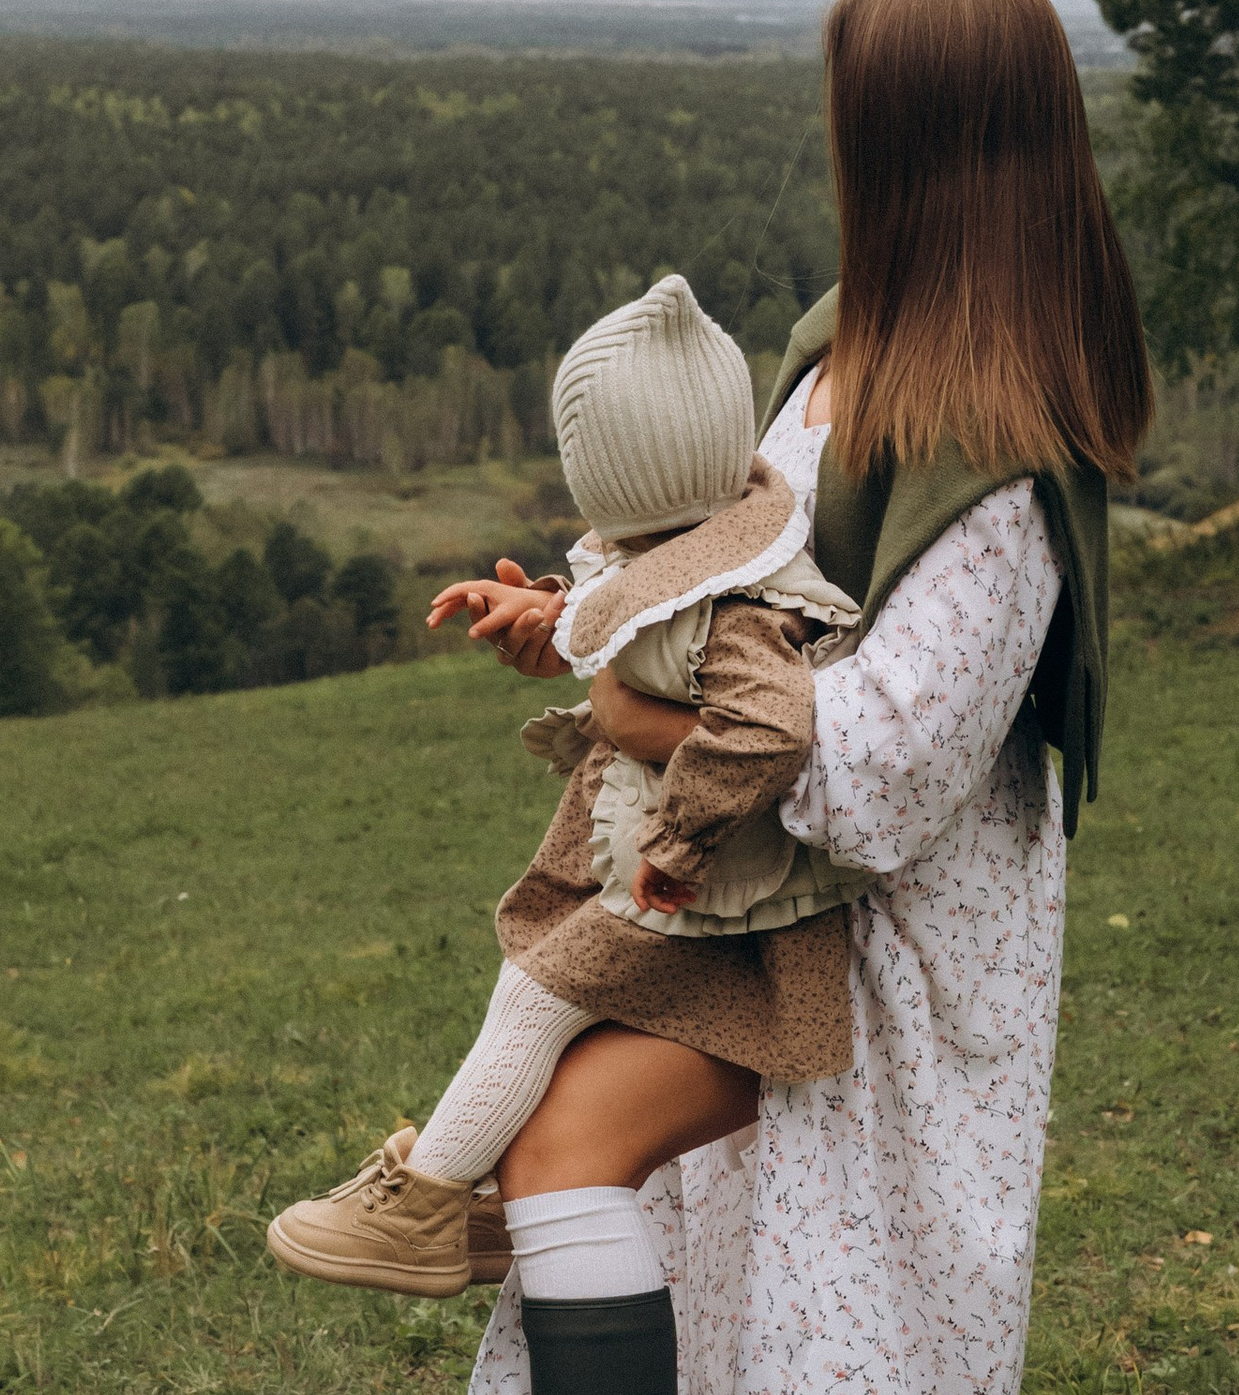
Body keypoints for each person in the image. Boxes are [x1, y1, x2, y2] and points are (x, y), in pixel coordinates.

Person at [464, 0, 1151, 1395]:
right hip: (772, 921)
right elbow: (722, 582)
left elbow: (869, 772)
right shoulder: (841, 361)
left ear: (917, 151)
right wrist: (599, 618)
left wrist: (625, 702)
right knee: (621, 1181)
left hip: (892, 957)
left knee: (832, 1261)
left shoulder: (1002, 467)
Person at [264, 271, 864, 1300]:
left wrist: (680, 843)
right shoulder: (699, 525)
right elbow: (624, 598)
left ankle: (423, 1203)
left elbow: (767, 724)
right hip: (674, 868)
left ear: (618, 478)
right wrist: (541, 609)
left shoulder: (739, 600)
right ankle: (486, 1206)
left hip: (712, 881)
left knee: (536, 994)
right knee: (535, 985)